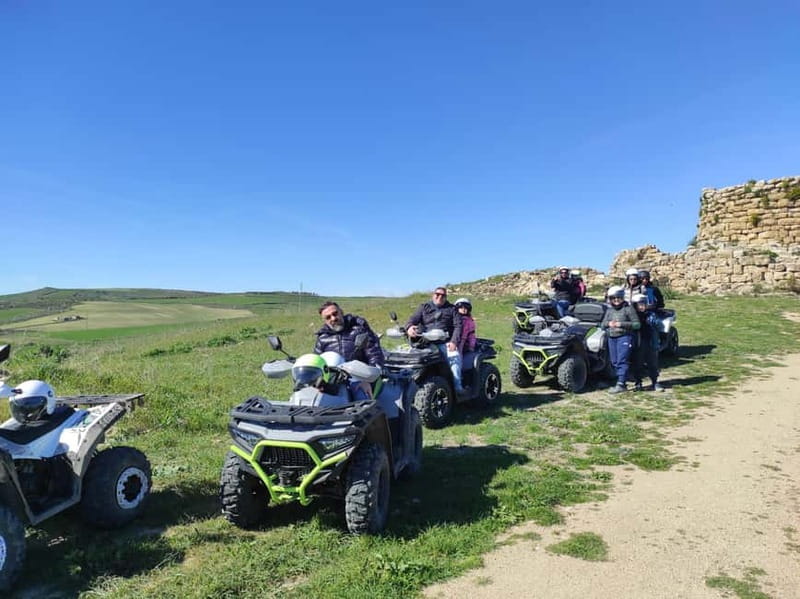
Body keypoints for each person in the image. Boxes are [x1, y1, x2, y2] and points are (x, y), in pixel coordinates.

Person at [314, 301, 384, 399]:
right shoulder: (322, 338)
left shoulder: (358, 329)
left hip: (358, 378)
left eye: (335, 313)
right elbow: (316, 362)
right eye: (328, 317)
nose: (333, 318)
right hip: (333, 380)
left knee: (362, 399)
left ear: (341, 312)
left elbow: (375, 355)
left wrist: (367, 380)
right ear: (325, 321)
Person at [405, 286, 464, 392]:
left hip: (444, 343)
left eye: (443, 295)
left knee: (454, 358)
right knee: (408, 360)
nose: (440, 297)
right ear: (433, 295)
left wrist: (454, 342)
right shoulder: (424, 307)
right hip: (424, 343)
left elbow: (458, 326)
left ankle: (457, 387)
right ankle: (406, 387)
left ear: (446, 297)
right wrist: (409, 327)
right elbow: (413, 319)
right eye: (437, 294)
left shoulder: (452, 309)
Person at [601, 285, 641, 394]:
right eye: (613, 298)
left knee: (622, 360)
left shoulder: (628, 309)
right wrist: (608, 324)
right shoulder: (609, 310)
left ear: (622, 297)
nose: (616, 300)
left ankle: (621, 384)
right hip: (612, 338)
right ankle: (621, 380)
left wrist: (621, 324)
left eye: (618, 297)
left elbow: (637, 324)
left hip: (625, 337)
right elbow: (602, 324)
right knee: (614, 361)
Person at [630, 293, 664, 392]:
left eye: (643, 304)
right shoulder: (633, 316)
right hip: (638, 343)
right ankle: (638, 382)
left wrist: (653, 321)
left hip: (650, 342)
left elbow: (659, 325)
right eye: (639, 305)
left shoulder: (651, 315)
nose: (641, 307)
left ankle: (655, 381)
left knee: (652, 363)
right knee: (638, 363)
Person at [450, 297, 477, 394]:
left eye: (466, 308)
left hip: (462, 342)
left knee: (459, 361)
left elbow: (472, 335)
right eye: (461, 307)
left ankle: (460, 383)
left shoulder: (470, 321)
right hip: (452, 341)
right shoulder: (452, 318)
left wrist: (471, 346)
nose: (463, 309)